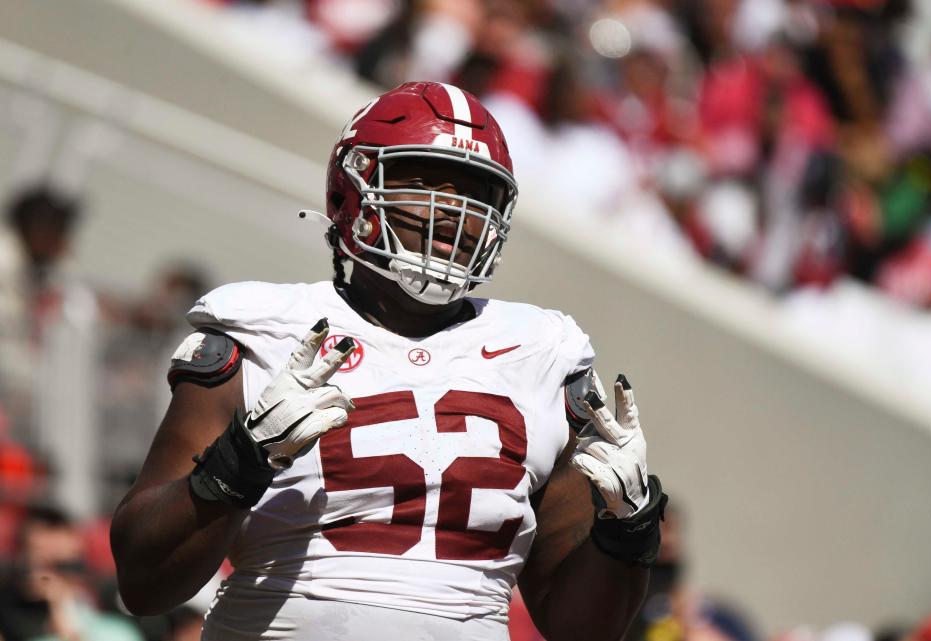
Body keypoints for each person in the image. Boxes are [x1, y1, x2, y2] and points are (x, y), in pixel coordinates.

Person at [111, 81, 667, 640]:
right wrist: (241, 461)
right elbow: (144, 582)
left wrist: (630, 528)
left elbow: (583, 631)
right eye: (422, 182)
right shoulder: (266, 330)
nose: (451, 212)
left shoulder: (543, 354)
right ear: (349, 191)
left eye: (475, 193)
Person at [0, 505, 144, 641]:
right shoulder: (10, 611)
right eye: (43, 565)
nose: (52, 577)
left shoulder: (110, 604)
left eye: (63, 565)